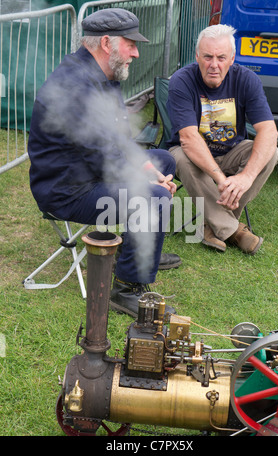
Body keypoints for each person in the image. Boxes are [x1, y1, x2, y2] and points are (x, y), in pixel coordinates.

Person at [28, 8, 181, 318]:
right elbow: (100, 153)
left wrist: (149, 170)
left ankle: (137, 248)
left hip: (91, 172)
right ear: (107, 42)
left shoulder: (103, 74)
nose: (136, 53)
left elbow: (117, 138)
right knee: (155, 200)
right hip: (67, 189)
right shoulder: (77, 85)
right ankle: (125, 288)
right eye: (131, 44)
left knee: (163, 160)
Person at [167, 24, 278, 254]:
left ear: (232, 58)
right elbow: (188, 138)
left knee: (271, 152)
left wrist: (246, 177)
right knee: (180, 156)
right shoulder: (182, 80)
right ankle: (233, 230)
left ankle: (213, 224)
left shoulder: (247, 80)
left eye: (221, 57)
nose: (214, 65)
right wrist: (220, 178)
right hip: (193, 154)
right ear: (197, 56)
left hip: (231, 151)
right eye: (207, 57)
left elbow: (269, 131)